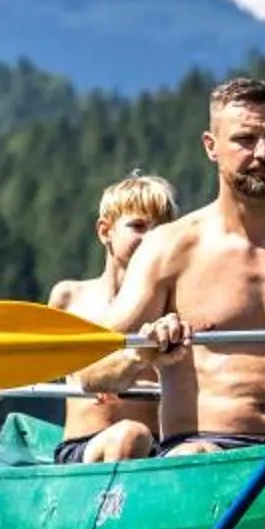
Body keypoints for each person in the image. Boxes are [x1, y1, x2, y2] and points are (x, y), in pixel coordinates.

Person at [94, 76, 265, 456]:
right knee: (197, 454)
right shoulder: (169, 248)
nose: (263, 153)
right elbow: (91, 369)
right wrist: (142, 353)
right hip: (203, 451)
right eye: (245, 139)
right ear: (211, 146)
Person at [49, 171, 178, 463]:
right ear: (105, 231)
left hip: (155, 449)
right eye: (138, 226)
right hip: (83, 449)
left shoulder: (174, 309)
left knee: (134, 435)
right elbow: (32, 367)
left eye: (160, 230)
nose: (150, 238)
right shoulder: (69, 298)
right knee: (129, 435)